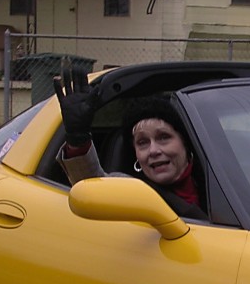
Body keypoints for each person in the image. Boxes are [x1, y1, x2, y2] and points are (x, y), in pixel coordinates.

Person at [53, 69, 207, 220]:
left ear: (185, 144)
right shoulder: (132, 191)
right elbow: (91, 186)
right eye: (142, 143)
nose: (153, 150)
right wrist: (78, 138)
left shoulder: (217, 178)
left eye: (163, 137)